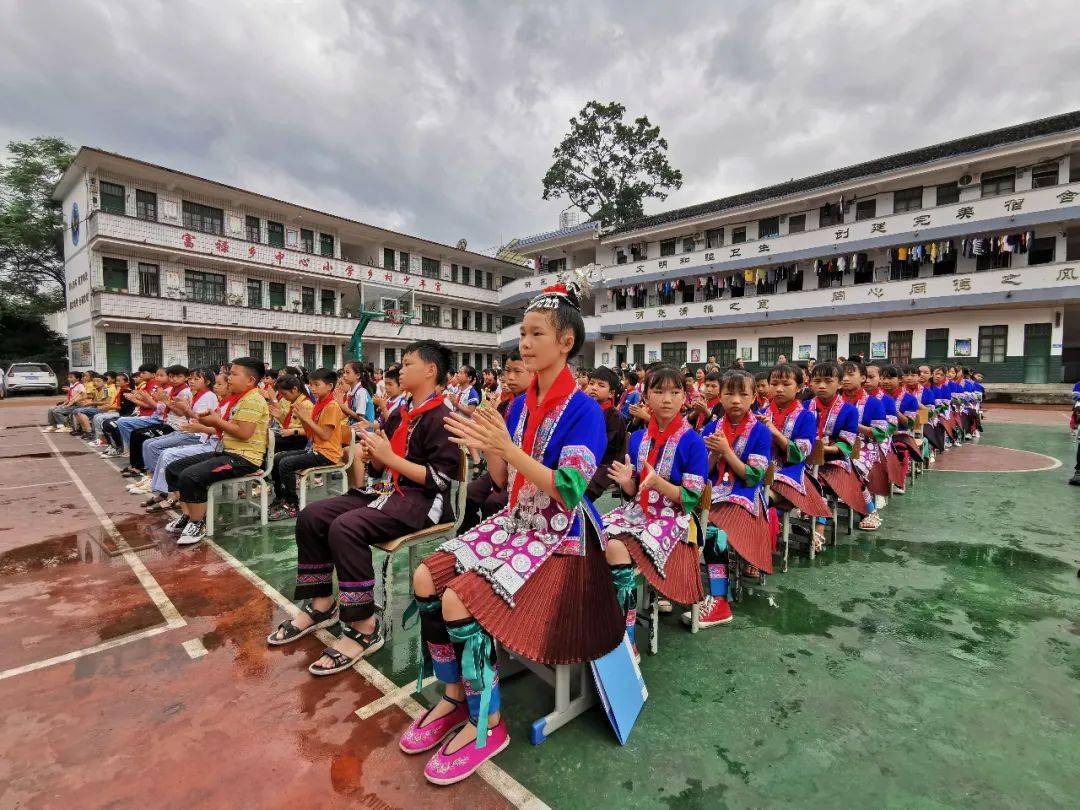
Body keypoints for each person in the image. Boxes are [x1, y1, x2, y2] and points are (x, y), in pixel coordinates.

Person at [402, 280, 621, 784]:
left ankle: (489, 721)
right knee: (424, 578)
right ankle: (457, 696)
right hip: (517, 522)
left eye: (536, 333)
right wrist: (489, 444)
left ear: (566, 342)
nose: (524, 343)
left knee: (457, 600)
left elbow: (568, 490)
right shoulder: (522, 404)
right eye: (522, 333)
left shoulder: (585, 410)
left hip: (563, 536)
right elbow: (504, 481)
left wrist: (508, 445)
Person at [269, 340, 460, 676]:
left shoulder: (443, 416)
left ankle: (364, 626)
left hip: (422, 501)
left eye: (408, 363)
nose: (401, 369)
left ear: (431, 370)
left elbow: (440, 480)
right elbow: (377, 467)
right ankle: (321, 604)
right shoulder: (401, 413)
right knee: (312, 516)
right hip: (386, 490)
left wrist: (390, 459)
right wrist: (371, 457)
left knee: (346, 527)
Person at [603, 364, 708, 648]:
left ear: (684, 398)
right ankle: (607, 621)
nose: (666, 399)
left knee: (614, 547)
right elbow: (637, 490)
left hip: (675, 520)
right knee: (592, 533)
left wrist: (658, 483)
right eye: (658, 391)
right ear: (645, 396)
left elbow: (690, 498)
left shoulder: (693, 442)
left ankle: (627, 640)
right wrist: (628, 482)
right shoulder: (638, 438)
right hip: (638, 513)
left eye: (675, 392)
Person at [162, 357, 270, 545]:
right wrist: (207, 420)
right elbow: (225, 426)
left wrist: (216, 422)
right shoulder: (240, 399)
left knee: (191, 475)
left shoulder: (253, 400)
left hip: (244, 459)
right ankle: (188, 516)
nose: (229, 378)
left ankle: (198, 522)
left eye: (234, 374)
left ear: (250, 380)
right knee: (174, 468)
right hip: (227, 453)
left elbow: (244, 433)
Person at [694, 370, 773, 628]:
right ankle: (677, 588)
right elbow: (701, 473)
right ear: (721, 396)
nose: (736, 400)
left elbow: (753, 477)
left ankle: (719, 600)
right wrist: (714, 457)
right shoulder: (710, 427)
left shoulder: (761, 432)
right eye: (729, 393)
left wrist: (726, 451)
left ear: (754, 398)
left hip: (745, 495)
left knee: (713, 532)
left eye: (743, 394)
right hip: (713, 493)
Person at [457, 350, 532, 533]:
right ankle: (469, 531)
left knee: (494, 502)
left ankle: (495, 537)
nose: (509, 378)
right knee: (471, 491)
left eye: (517, 372)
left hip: (526, 472)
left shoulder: (536, 406)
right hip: (503, 465)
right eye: (507, 371)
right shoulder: (508, 404)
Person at [763, 363, 831, 551]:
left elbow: (801, 453)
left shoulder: (806, 417)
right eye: (774, 383)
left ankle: (762, 547)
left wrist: (776, 434)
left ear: (800, 387)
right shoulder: (761, 413)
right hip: (763, 468)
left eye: (786, 384)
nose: (778, 389)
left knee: (760, 498)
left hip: (792, 471)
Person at [141, 372, 228, 513]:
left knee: (166, 454)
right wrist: (183, 408)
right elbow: (198, 419)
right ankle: (165, 493)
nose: (191, 381)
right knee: (159, 449)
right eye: (191, 379)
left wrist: (187, 412)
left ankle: (174, 497)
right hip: (203, 437)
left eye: (219, 384)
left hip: (204, 438)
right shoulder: (214, 398)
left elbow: (213, 426)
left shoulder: (210, 397)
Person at [268, 368, 344, 520]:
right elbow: (311, 434)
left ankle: (292, 505)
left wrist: (306, 418)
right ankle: (282, 497)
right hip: (316, 449)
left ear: (329, 386)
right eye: (311, 385)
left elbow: (325, 435)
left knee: (286, 463)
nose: (312, 389)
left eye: (316, 385)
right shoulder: (319, 404)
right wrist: (303, 418)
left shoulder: (332, 406)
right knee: (278, 458)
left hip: (328, 454)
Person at [126, 368, 216, 495]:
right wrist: (171, 403)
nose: (191, 381)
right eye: (190, 378)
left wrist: (166, 401)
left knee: (157, 448)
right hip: (186, 430)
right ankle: (153, 479)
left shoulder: (205, 396)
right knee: (148, 443)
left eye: (196, 379)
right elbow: (188, 416)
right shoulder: (192, 393)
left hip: (194, 434)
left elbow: (197, 419)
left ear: (207, 382)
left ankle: (163, 487)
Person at [809, 361, 866, 527]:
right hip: (807, 459)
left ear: (839, 384)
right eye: (817, 381)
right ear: (810, 383)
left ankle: (818, 528)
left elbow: (847, 444)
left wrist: (824, 449)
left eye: (828, 381)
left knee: (817, 481)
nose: (821, 386)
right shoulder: (805, 406)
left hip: (835, 460)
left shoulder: (849, 410)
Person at [120, 365, 192, 478]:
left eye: (178, 376)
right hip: (167, 422)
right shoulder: (170, 390)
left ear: (186, 377)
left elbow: (179, 413)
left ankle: (147, 471)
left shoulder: (185, 392)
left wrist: (157, 400)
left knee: (143, 438)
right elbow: (161, 407)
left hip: (176, 426)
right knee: (136, 433)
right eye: (172, 376)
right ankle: (139, 466)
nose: (174, 379)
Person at [839, 360, 886, 531]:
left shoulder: (873, 403)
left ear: (863, 378)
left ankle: (871, 511)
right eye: (842, 375)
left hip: (865, 447)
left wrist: (854, 426)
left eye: (851, 375)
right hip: (838, 444)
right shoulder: (834, 401)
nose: (845, 379)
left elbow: (881, 433)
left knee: (852, 469)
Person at [584, 366, 627, 501]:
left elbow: (607, 446)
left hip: (605, 463)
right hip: (584, 458)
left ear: (611, 393)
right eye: (591, 383)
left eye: (601, 385)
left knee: (585, 488)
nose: (594, 388)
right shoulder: (585, 410)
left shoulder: (614, 416)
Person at [270, 375, 314, 453]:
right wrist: (280, 416)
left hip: (297, 440)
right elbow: (290, 424)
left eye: (284, 394)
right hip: (290, 437)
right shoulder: (295, 402)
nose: (283, 397)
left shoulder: (306, 404)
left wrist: (292, 431)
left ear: (294, 389)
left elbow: (311, 430)